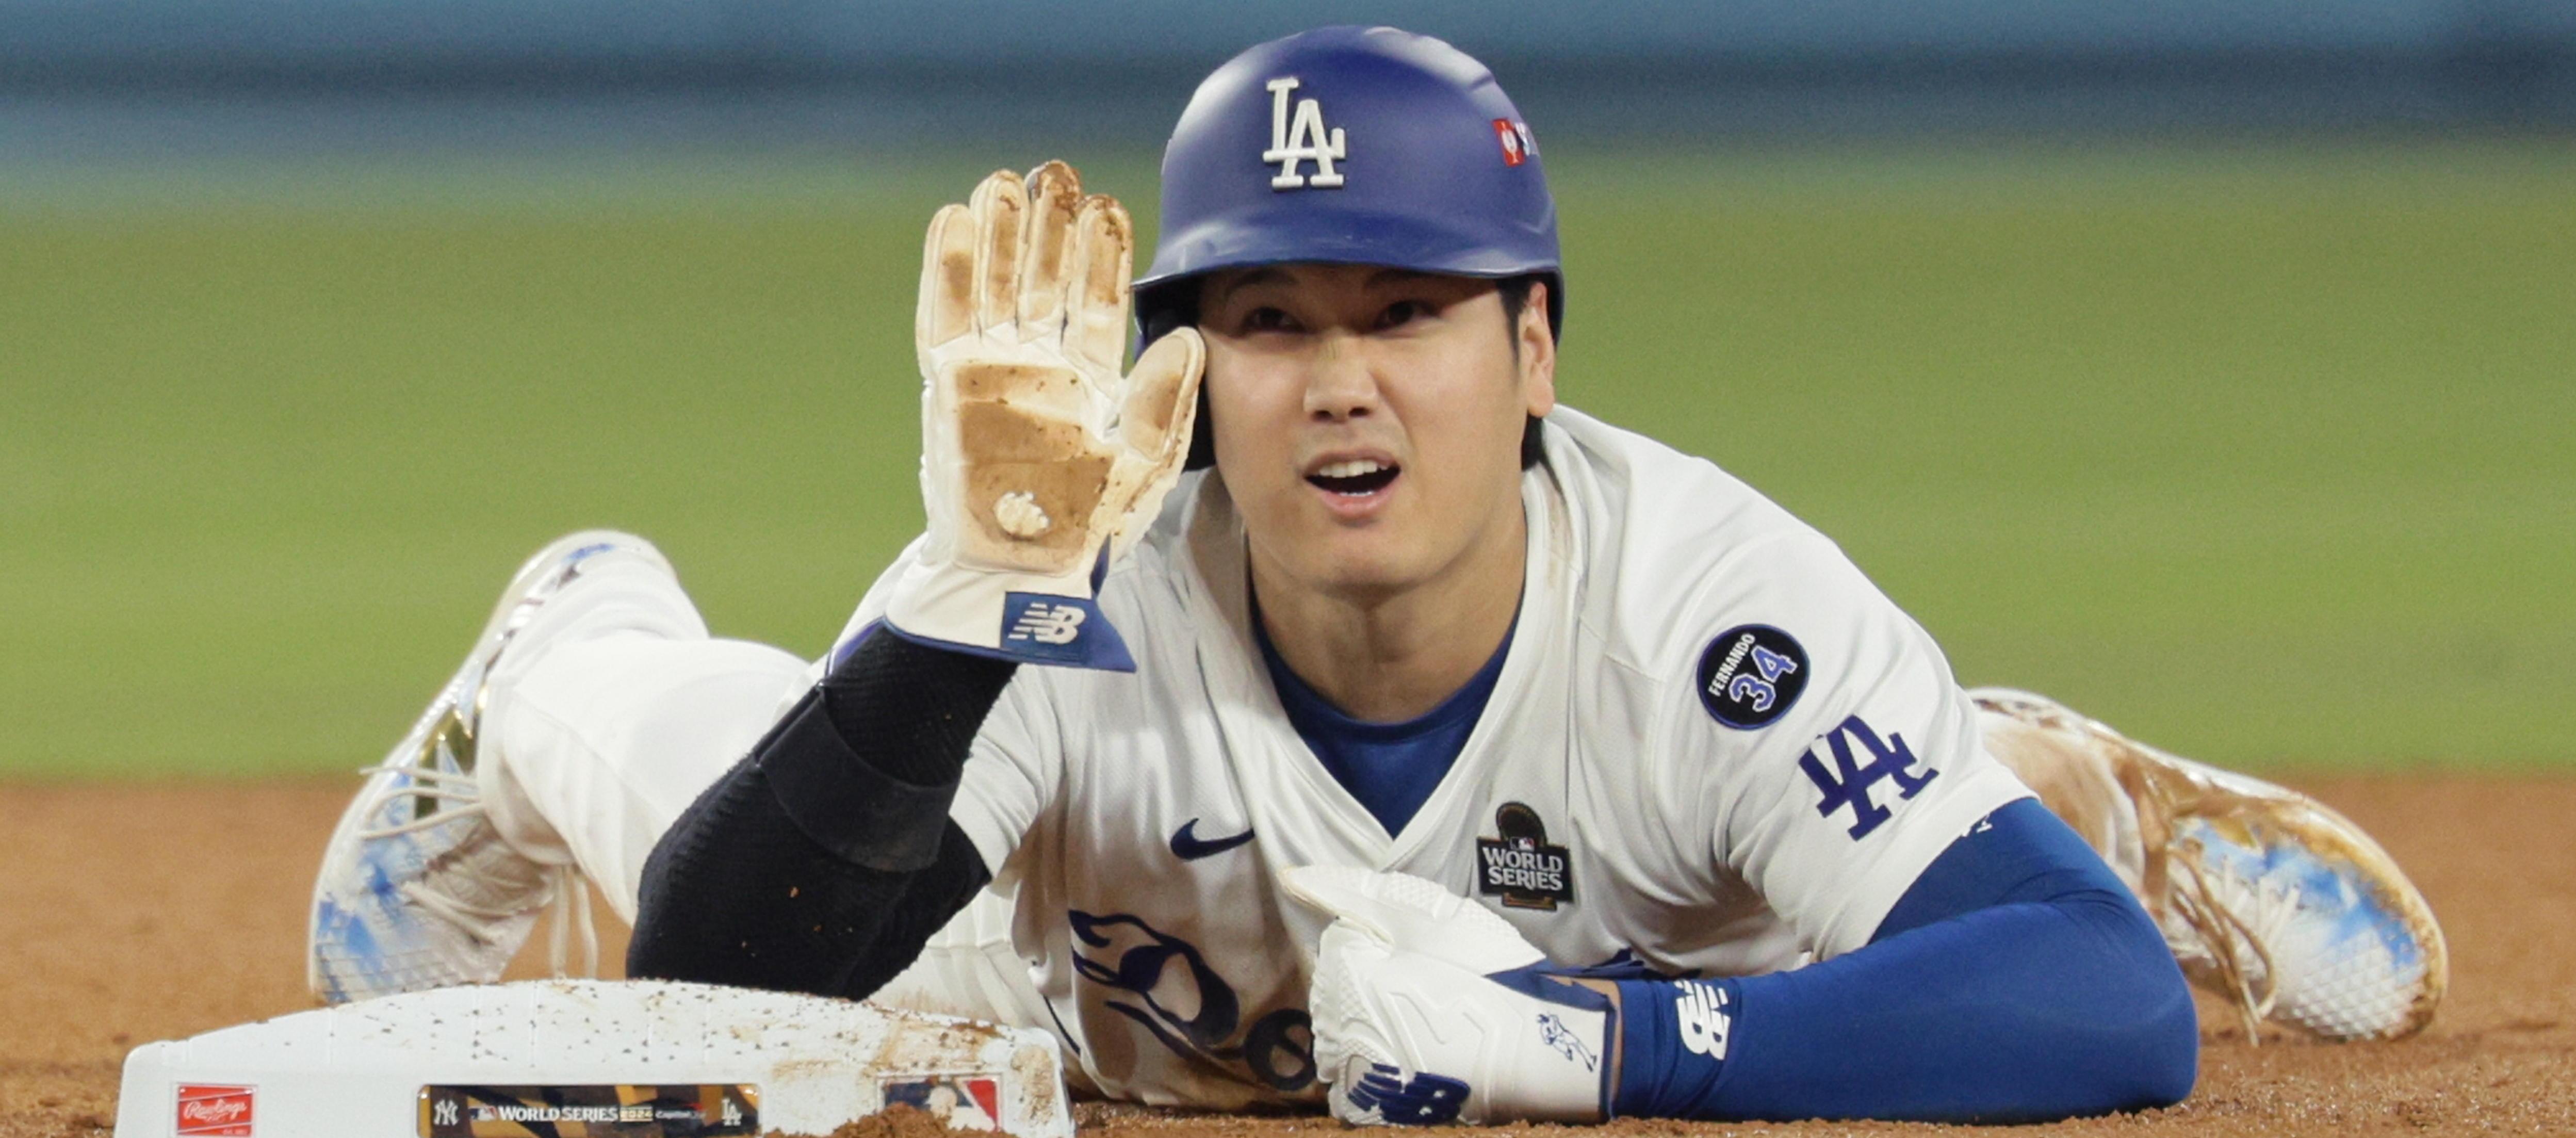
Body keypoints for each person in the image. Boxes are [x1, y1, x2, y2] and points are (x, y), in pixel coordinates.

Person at [306, 26, 2445, 1126]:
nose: (1340, 382)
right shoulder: (1074, 569)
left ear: (1534, 351)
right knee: (787, 850)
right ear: (1189, 375)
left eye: (1406, 312)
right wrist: (958, 607)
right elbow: (726, 974)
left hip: (1668, 869)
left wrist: (1601, 1052)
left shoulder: (1698, 608)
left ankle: (2033, 784)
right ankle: (570, 644)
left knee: (1876, 857)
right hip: (1054, 991)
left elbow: (2095, 999)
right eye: (1269, 322)